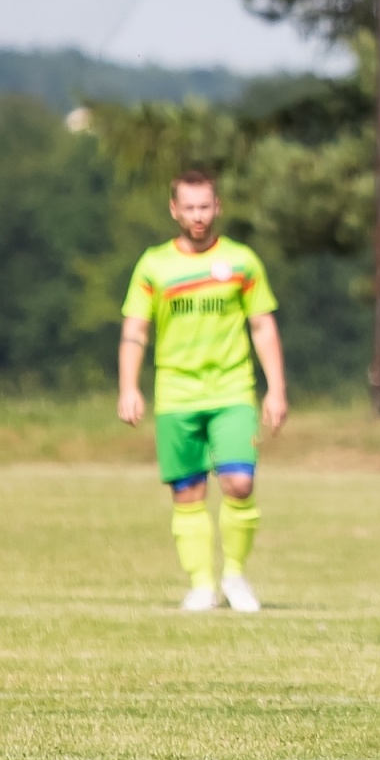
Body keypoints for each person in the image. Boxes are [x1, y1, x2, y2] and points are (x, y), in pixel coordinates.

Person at [118, 169, 287, 613]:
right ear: (174, 210)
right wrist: (129, 386)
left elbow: (262, 324)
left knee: (239, 481)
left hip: (232, 389)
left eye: (205, 206)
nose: (198, 216)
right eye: (189, 207)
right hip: (176, 393)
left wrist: (276, 389)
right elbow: (135, 329)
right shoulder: (154, 265)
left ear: (218, 207)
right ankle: (201, 585)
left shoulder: (242, 262)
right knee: (187, 492)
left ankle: (234, 577)